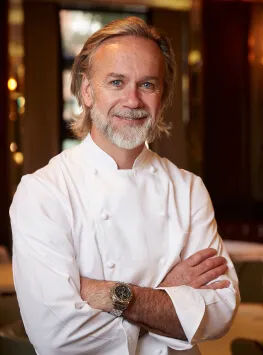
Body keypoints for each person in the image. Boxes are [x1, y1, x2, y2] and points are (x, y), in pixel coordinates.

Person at [10, 16, 239, 355]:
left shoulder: (188, 189)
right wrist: (167, 295)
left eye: (148, 84)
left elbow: (219, 312)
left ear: (162, 97)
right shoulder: (43, 191)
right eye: (116, 82)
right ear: (87, 92)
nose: (132, 101)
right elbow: (59, 337)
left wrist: (111, 295)